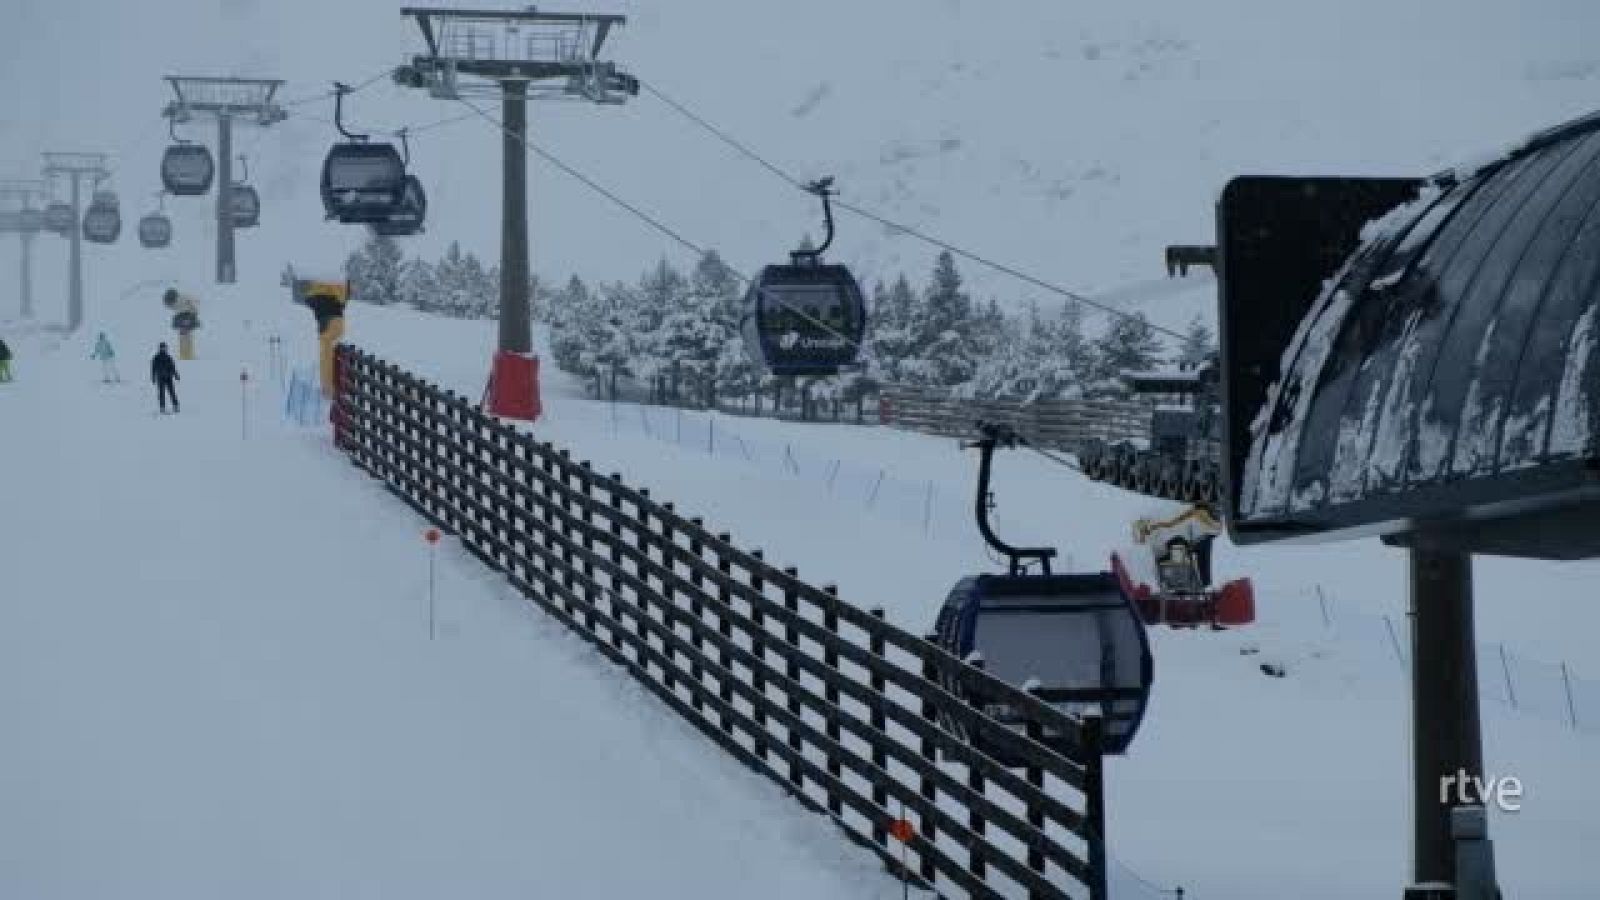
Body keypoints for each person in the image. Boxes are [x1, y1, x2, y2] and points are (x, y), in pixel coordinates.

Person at [151, 342, 180, 413]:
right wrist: (153, 377)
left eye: (164, 348)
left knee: (172, 392)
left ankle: (175, 405)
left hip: (168, 377)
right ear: (160, 348)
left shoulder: (168, 357)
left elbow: (172, 367)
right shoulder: (156, 358)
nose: (163, 349)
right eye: (162, 348)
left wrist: (176, 375)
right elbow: (153, 368)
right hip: (160, 377)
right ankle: (162, 407)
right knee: (161, 393)